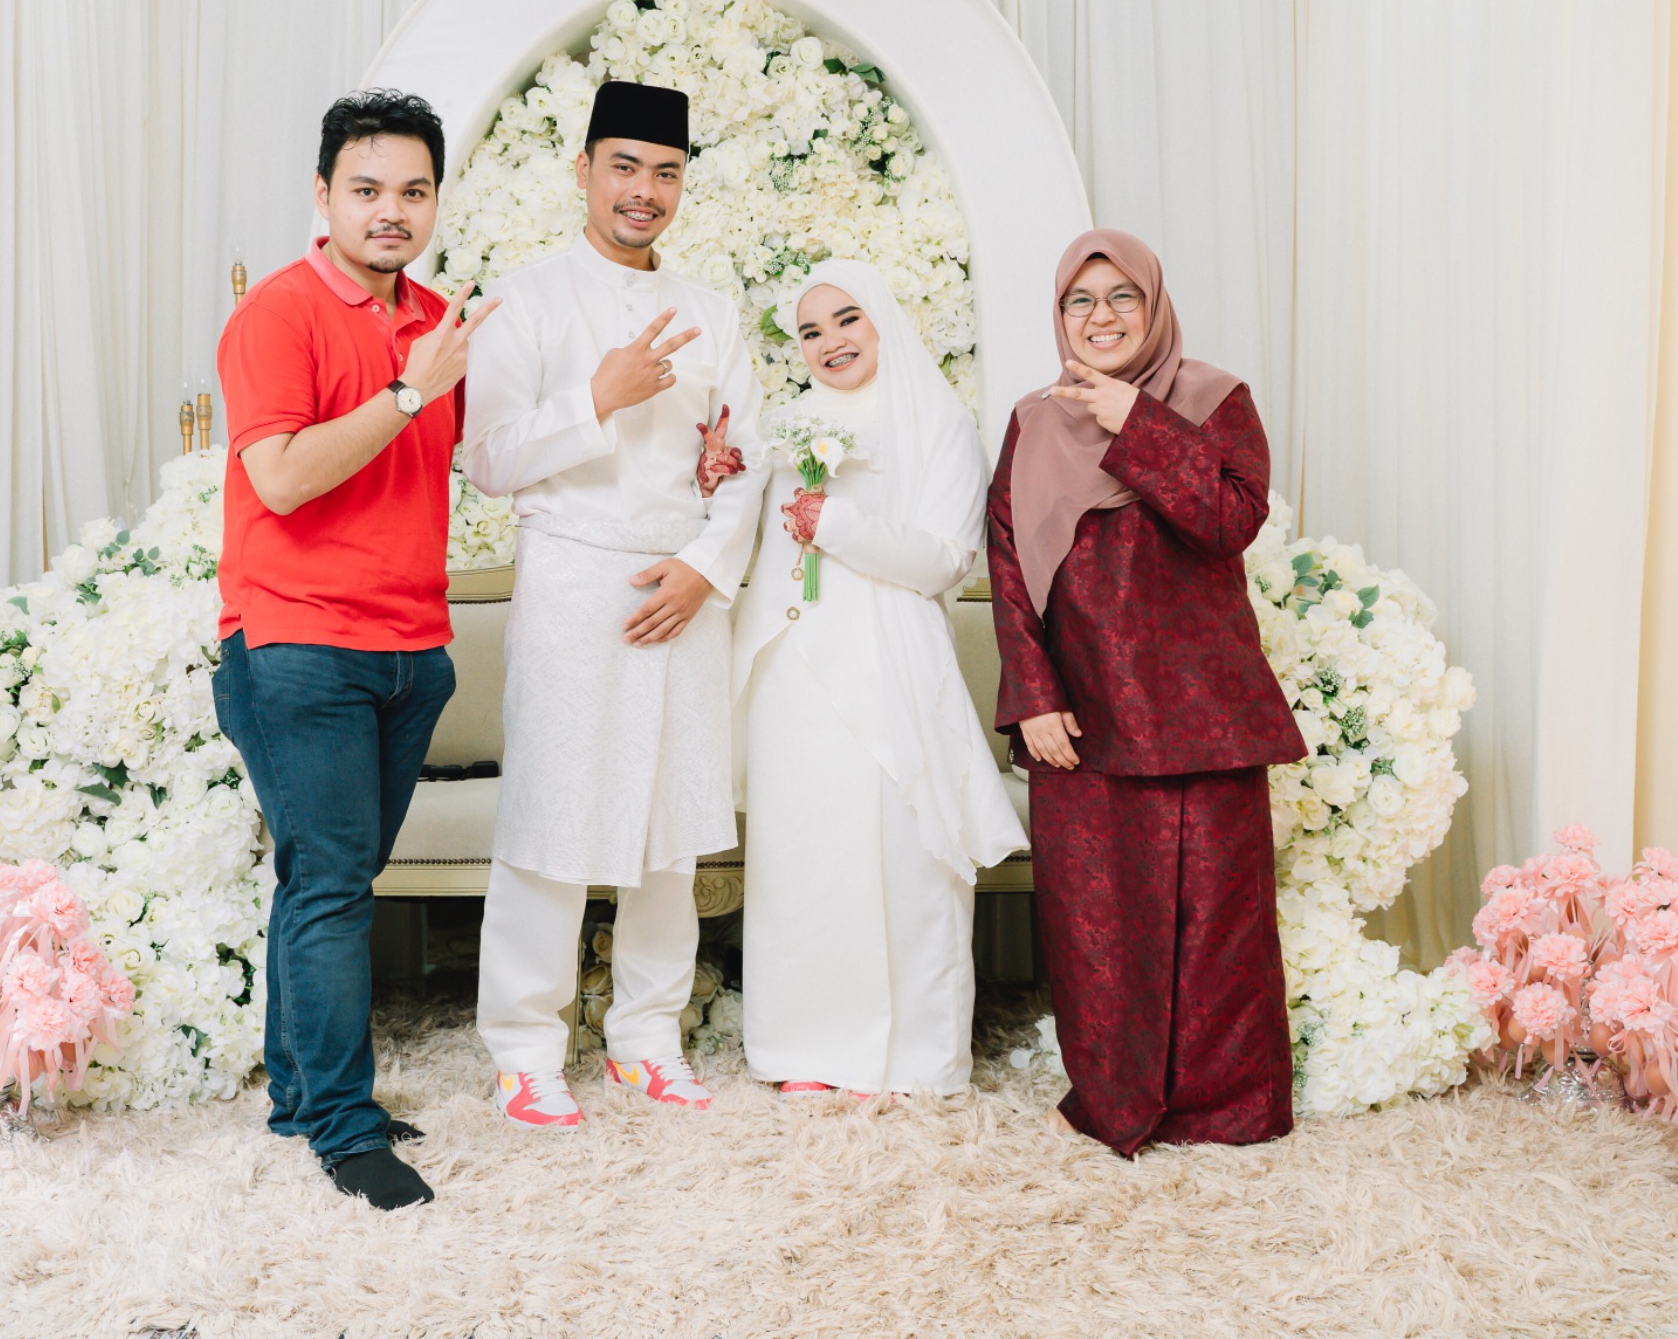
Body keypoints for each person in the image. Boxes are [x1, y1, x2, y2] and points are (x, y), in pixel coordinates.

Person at [212, 90, 500, 1209]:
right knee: (333, 886)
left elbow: (492, 457)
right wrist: (409, 387)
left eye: (413, 191)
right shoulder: (276, 314)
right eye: (367, 188)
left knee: (325, 880)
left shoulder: (437, 318)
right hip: (297, 645)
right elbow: (281, 479)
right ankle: (344, 1127)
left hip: (411, 649)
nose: (392, 210)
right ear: (323, 195)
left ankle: (299, 1096)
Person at [461, 80, 764, 1129]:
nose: (644, 190)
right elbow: (488, 460)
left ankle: (646, 1038)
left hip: (681, 587)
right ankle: (524, 1048)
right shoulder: (525, 300)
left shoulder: (714, 312)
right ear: (583, 170)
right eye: (624, 166)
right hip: (573, 578)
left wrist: (706, 569)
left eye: (665, 172)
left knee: (671, 828)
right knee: (549, 818)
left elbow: (746, 457)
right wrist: (596, 397)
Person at [987, 228, 1304, 1158]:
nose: (1101, 317)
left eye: (1122, 297)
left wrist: (1137, 418)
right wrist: (1032, 695)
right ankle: (1111, 1097)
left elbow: (1229, 520)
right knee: (1096, 924)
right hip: (1081, 714)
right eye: (1079, 301)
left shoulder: (1214, 399)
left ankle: (1227, 1108)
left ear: (1154, 306)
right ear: (1059, 316)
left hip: (1205, 708)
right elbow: (1007, 562)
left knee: (1219, 924)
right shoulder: (1033, 422)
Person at [732, 262, 1026, 1097]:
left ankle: (911, 1058)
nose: (830, 341)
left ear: (884, 319)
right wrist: (719, 476)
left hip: (888, 664)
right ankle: (800, 1051)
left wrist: (840, 523)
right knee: (803, 863)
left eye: (847, 319)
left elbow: (944, 561)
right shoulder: (789, 425)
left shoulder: (938, 421)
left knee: (900, 857)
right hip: (793, 668)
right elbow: (757, 538)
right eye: (810, 331)